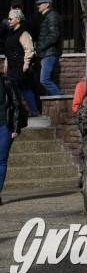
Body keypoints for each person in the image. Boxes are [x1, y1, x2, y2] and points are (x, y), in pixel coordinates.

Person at [0, 56, 25, 206]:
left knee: (1, 160)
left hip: (5, 126)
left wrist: (15, 128)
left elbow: (16, 104)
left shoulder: (6, 82)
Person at [4, 9, 38, 116]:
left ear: (18, 19)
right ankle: (25, 111)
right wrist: (6, 63)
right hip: (12, 66)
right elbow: (8, 50)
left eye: (10, 19)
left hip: (20, 65)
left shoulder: (23, 33)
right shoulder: (10, 33)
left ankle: (31, 110)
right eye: (8, 19)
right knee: (19, 88)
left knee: (23, 88)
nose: (8, 21)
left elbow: (29, 49)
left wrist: (26, 63)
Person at [35, 0, 63, 97]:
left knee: (45, 80)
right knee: (49, 80)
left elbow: (54, 36)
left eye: (40, 4)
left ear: (47, 5)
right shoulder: (47, 16)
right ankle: (52, 105)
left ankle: (61, 98)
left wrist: (41, 47)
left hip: (50, 53)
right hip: (48, 53)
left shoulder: (51, 16)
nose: (38, 6)